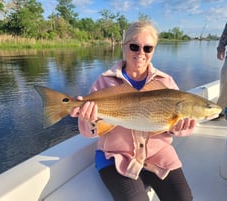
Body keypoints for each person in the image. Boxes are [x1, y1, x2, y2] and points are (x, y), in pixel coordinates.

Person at [70, 20, 196, 201]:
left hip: (157, 155)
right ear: (124, 45)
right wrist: (88, 119)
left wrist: (179, 128)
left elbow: (180, 126)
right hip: (115, 156)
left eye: (148, 48)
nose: (140, 53)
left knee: (183, 198)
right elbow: (88, 132)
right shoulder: (105, 82)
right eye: (134, 46)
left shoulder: (166, 82)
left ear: (154, 50)